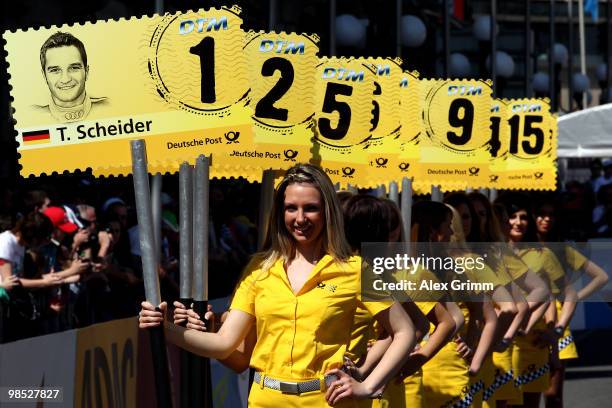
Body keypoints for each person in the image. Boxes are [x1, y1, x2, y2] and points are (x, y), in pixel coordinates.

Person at [140, 164, 417, 407]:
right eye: (291, 208)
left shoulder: (355, 269)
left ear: (328, 212)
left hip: (327, 401)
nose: (300, 218)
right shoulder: (259, 269)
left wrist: (368, 386)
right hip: (265, 399)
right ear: (279, 213)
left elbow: (405, 331)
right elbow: (225, 345)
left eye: (311, 208)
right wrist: (164, 328)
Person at [496, 193, 577, 408]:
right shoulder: (491, 255)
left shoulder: (542, 254)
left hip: (532, 343)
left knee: (541, 401)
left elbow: (562, 296)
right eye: (512, 217)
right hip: (497, 341)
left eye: (523, 217)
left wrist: (556, 332)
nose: (518, 222)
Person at [533, 196, 608, 408]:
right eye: (541, 214)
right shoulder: (517, 248)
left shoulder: (562, 249)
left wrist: (575, 298)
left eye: (551, 215)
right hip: (528, 320)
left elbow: (601, 276)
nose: (546, 219)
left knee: (552, 394)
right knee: (520, 394)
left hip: (558, 322)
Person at [33, 31, 108, 123]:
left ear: (86, 72)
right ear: (44, 76)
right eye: (55, 70)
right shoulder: (32, 116)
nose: (65, 79)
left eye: (74, 68)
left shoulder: (110, 107)